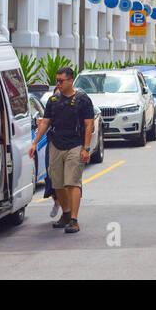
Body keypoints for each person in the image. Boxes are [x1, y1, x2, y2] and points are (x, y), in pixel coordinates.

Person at [29, 66, 94, 234]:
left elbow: (89, 124)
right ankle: (65, 213)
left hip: (75, 145)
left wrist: (86, 148)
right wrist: (35, 143)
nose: (58, 84)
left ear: (70, 81)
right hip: (56, 144)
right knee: (57, 183)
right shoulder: (53, 101)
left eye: (61, 81)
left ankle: (74, 219)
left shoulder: (83, 99)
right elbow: (45, 122)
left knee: (72, 182)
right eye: (57, 81)